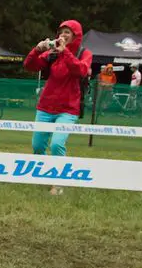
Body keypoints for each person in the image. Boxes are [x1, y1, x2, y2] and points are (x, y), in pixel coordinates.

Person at [23, 20, 92, 194]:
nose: (63, 35)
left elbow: (81, 71)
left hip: (68, 109)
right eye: (61, 32)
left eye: (68, 32)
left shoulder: (84, 53)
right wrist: (37, 49)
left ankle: (58, 182)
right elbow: (29, 66)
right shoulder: (52, 52)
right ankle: (48, 173)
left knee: (56, 144)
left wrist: (66, 52)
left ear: (76, 36)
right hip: (45, 106)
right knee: (37, 146)